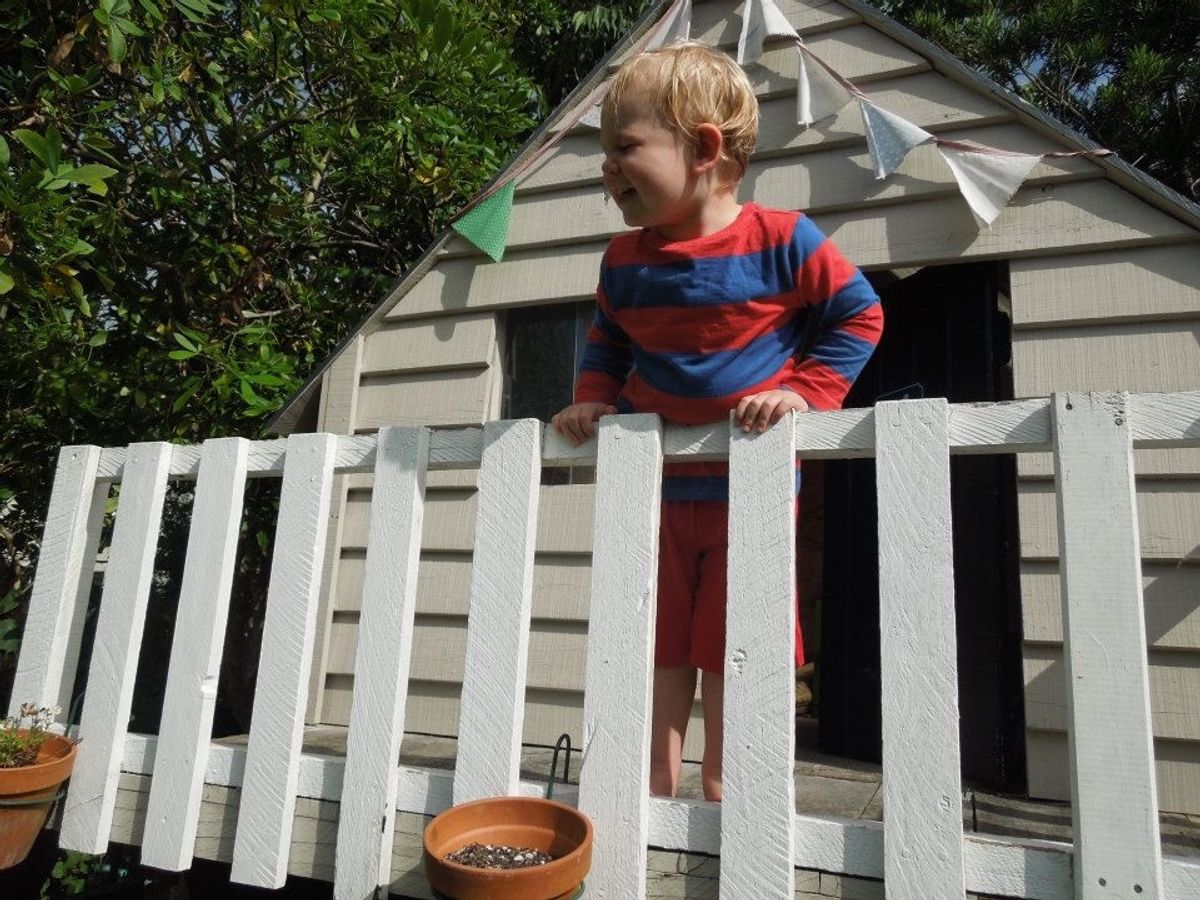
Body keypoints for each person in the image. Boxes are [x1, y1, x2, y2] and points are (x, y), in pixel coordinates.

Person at [551, 41, 883, 802]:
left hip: (751, 487)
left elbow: (858, 314)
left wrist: (804, 391)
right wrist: (594, 394)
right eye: (605, 152)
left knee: (735, 645)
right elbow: (608, 340)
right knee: (658, 638)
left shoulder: (783, 240)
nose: (607, 168)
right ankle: (654, 783)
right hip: (656, 489)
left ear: (702, 149)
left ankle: (725, 784)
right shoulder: (623, 261)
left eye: (625, 147)